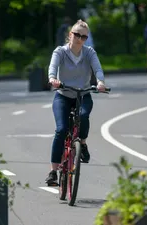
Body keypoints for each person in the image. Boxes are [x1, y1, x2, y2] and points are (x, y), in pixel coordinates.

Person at [45, 19, 107, 186]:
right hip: (63, 95)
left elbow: (98, 69)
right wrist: (53, 78)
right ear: (70, 35)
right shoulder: (60, 52)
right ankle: (53, 171)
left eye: (84, 37)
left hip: (83, 94)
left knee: (84, 115)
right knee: (61, 130)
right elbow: (53, 67)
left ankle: (83, 144)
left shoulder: (89, 53)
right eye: (77, 35)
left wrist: (100, 82)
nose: (80, 39)